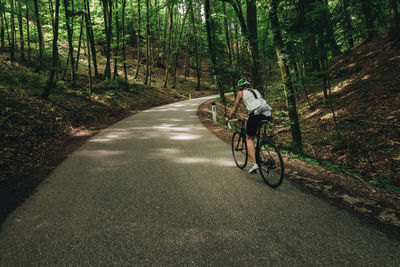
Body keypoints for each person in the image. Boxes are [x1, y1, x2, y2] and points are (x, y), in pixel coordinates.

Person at [226, 78, 272, 173]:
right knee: (256, 128)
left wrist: (228, 118)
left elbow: (234, 110)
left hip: (255, 114)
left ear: (240, 87)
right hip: (267, 112)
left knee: (249, 138)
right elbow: (257, 103)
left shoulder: (240, 93)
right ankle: (261, 145)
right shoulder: (256, 90)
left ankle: (254, 164)